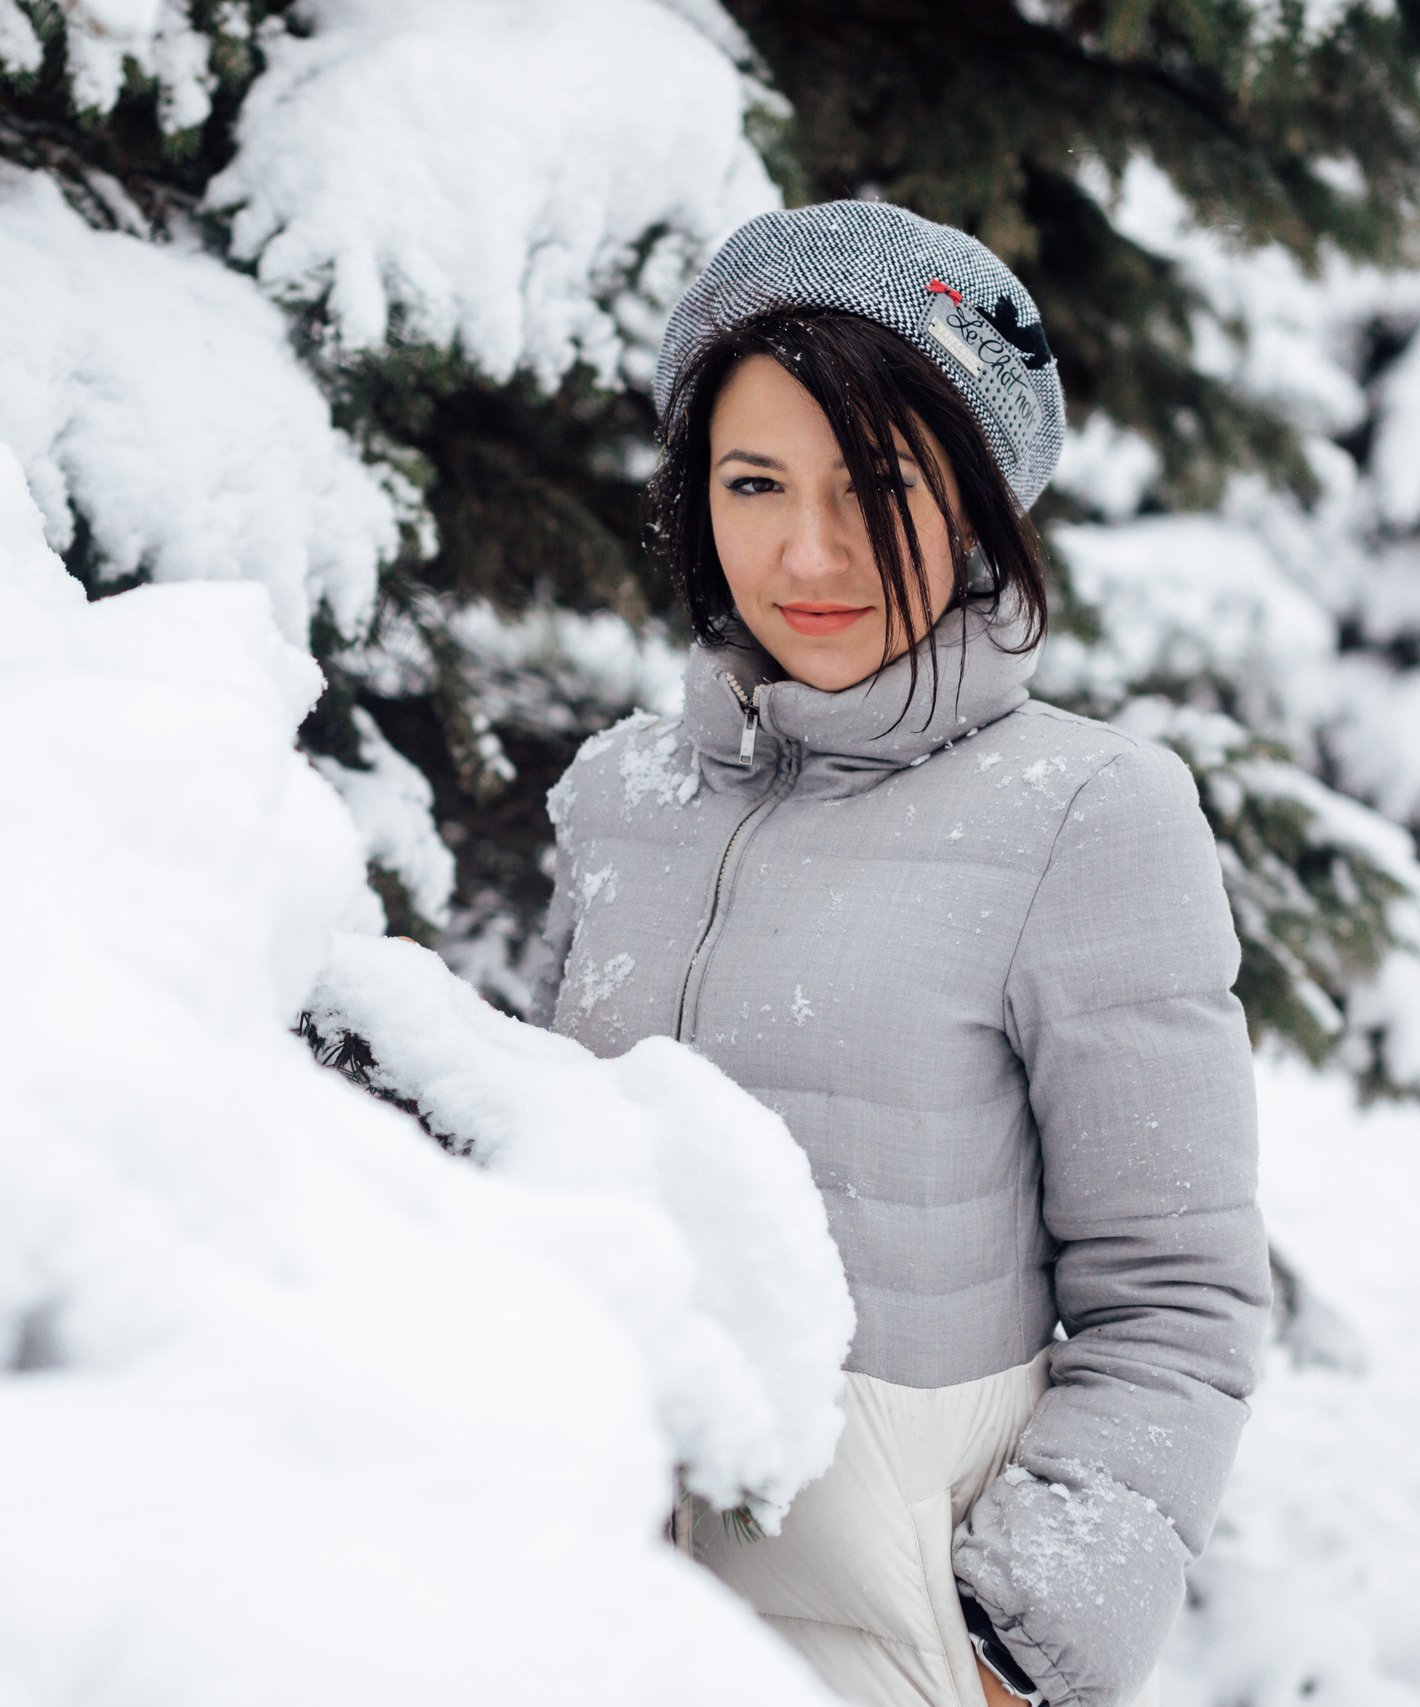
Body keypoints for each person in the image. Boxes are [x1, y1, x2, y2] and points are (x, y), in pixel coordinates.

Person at [533, 202, 1268, 1707]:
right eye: (753, 481)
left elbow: (1176, 1296)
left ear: (985, 499)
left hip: (893, 1643)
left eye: (881, 485)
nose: (808, 552)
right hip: (590, 1612)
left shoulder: (1086, 813)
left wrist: (1023, 1640)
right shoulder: (621, 796)